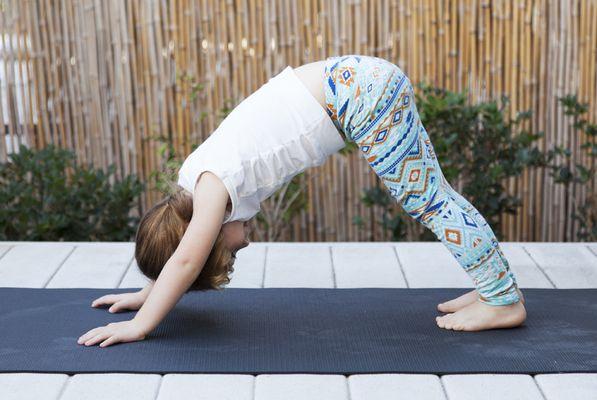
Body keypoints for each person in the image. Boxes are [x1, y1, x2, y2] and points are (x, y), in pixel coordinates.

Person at [77, 54, 526, 348]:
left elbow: (187, 259)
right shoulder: (196, 184)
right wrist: (148, 288)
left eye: (229, 250)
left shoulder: (212, 185)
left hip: (359, 95)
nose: (243, 246)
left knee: (431, 202)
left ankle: (503, 301)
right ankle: (493, 287)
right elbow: (181, 251)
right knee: (435, 197)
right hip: (358, 84)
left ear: (209, 232)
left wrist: (143, 324)